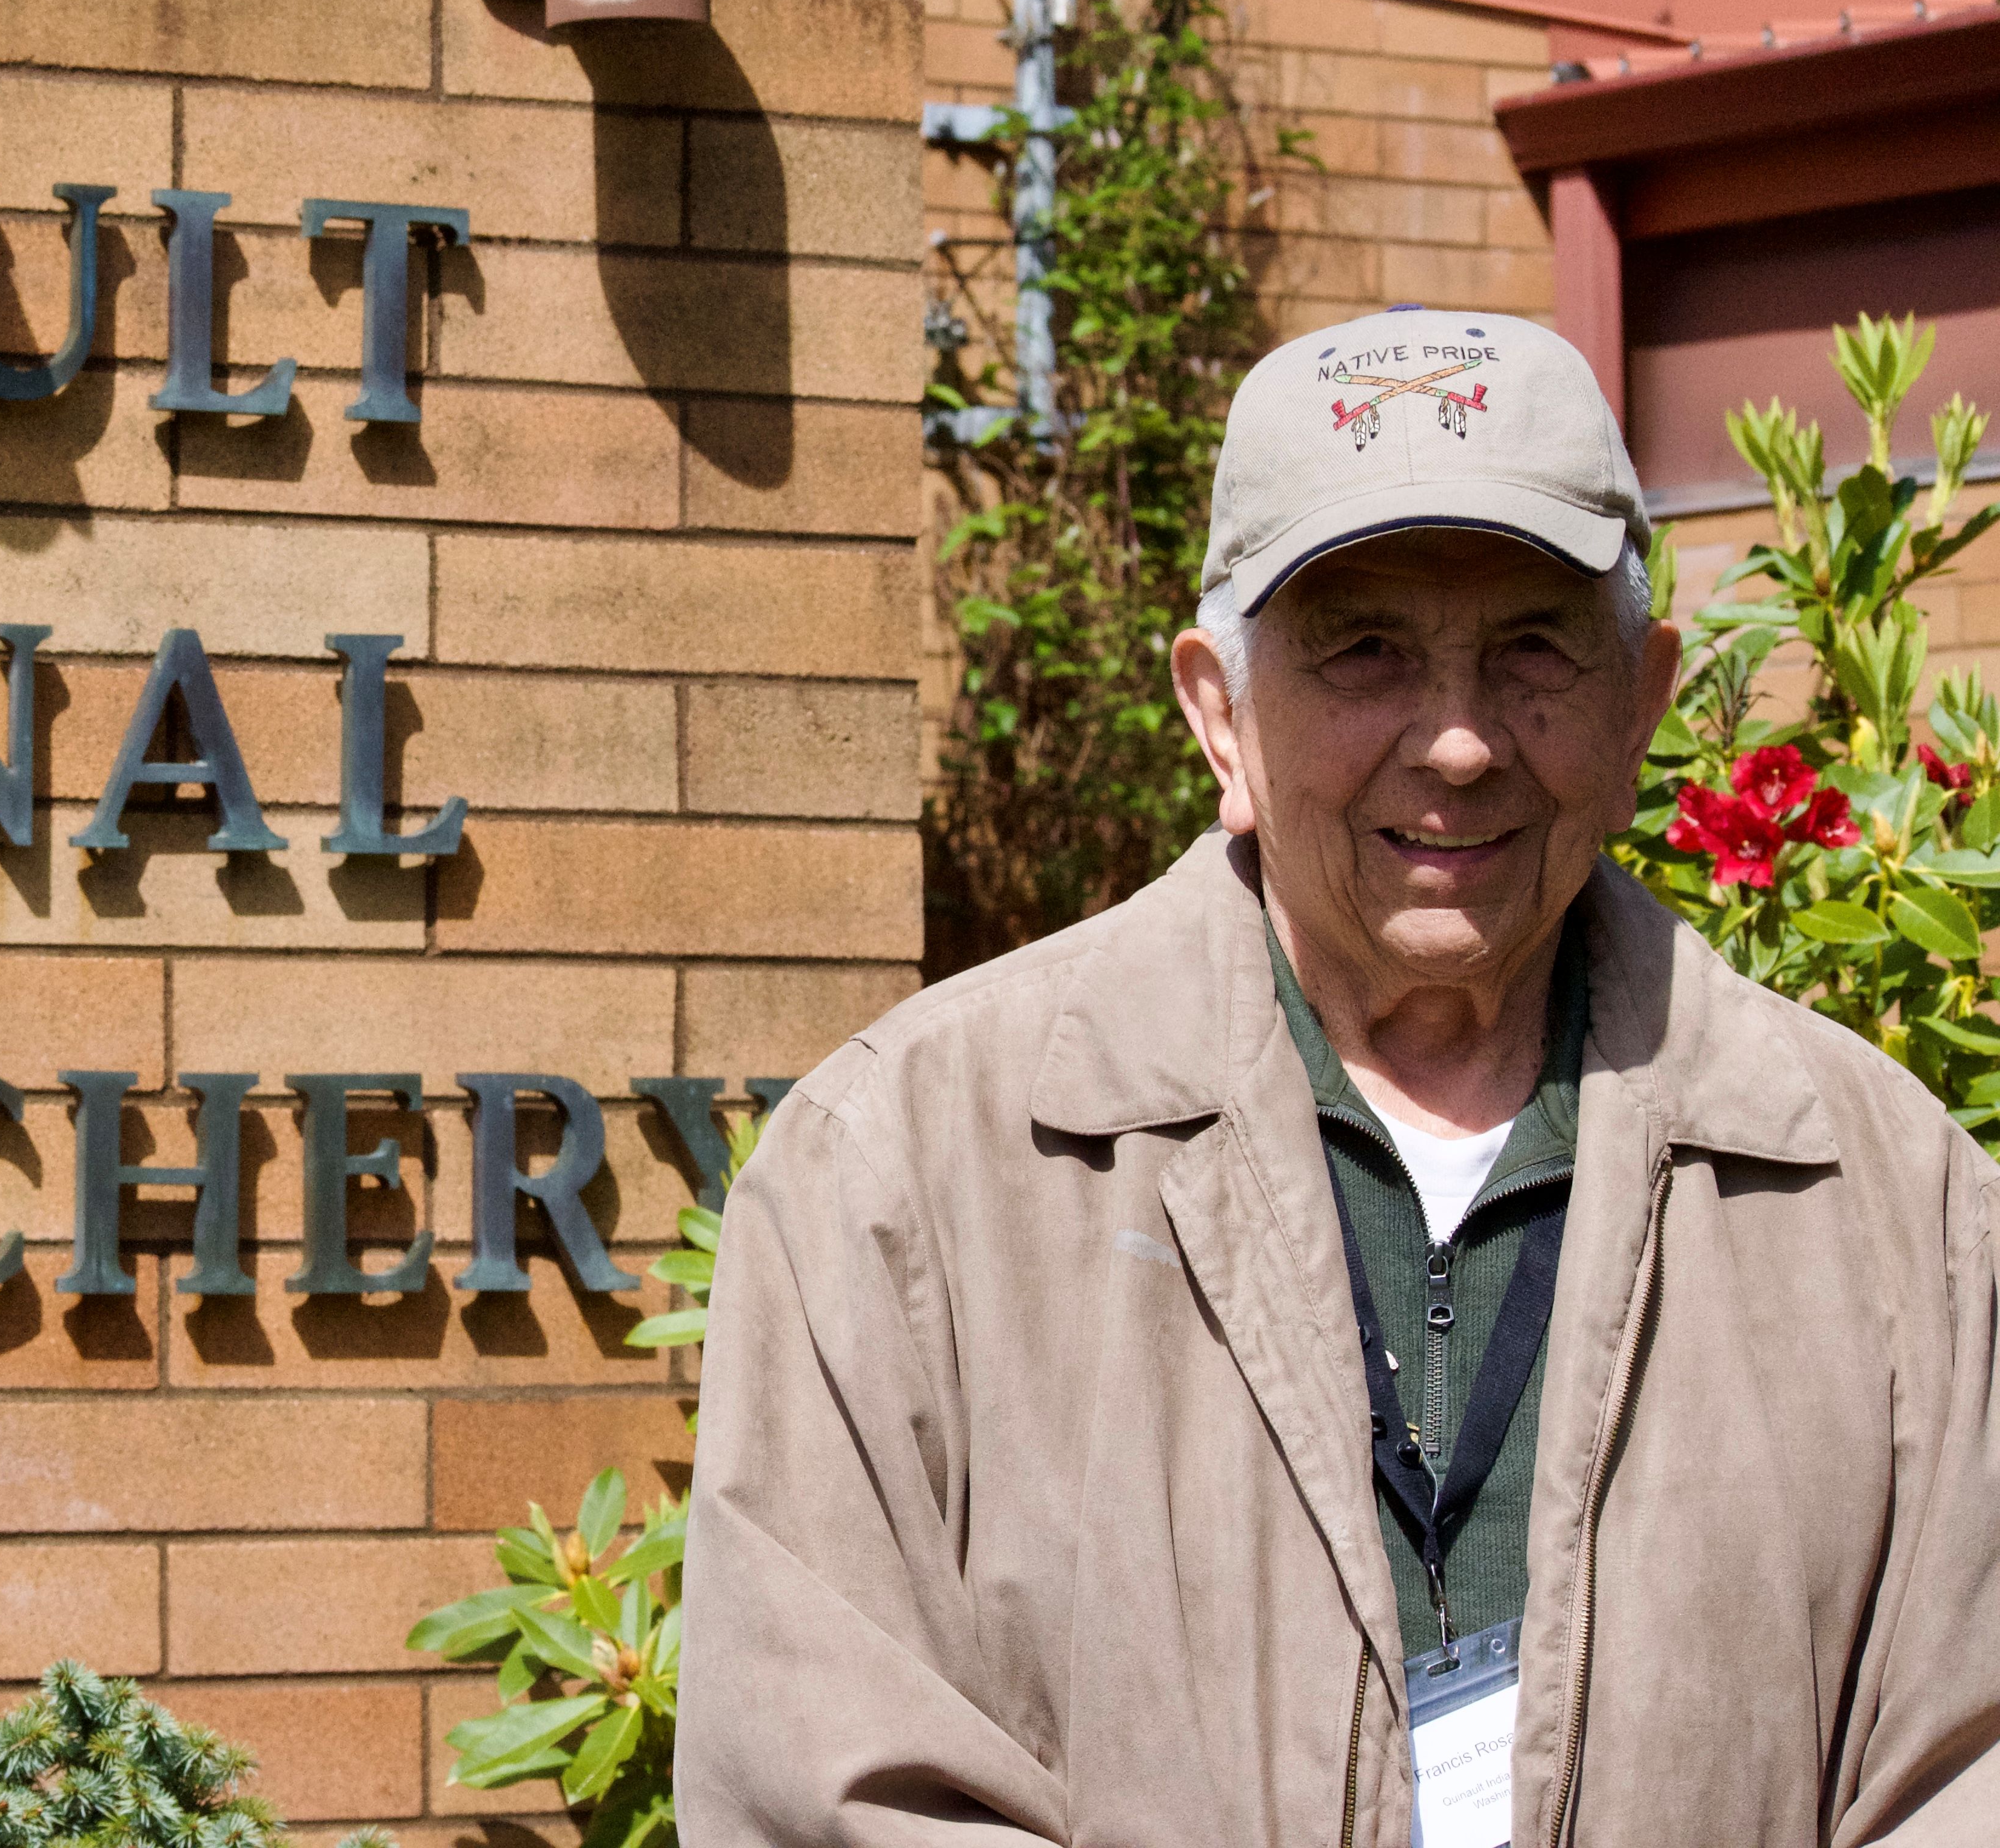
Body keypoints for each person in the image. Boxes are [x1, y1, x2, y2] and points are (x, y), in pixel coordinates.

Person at [678, 308, 2000, 1847]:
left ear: (1642, 702)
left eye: (1531, 648)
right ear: (1219, 713)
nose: (1455, 739)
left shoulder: (1896, 1204)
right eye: (1365, 647)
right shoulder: (899, 1175)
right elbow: (826, 1802)